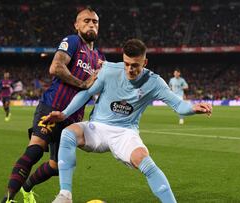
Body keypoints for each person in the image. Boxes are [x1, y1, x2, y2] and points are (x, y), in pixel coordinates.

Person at [47, 39, 212, 203]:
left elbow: (178, 104)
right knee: (68, 133)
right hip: (98, 127)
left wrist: (193, 109)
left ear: (144, 62)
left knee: (145, 161)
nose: (129, 69)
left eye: (135, 65)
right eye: (126, 64)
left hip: (125, 132)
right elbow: (86, 93)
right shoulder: (109, 70)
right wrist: (64, 114)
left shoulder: (154, 82)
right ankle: (65, 196)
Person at [1, 7, 105, 203]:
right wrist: (83, 84)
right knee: (35, 149)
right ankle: (7, 200)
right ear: (77, 25)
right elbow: (55, 67)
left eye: (95, 21)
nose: (91, 24)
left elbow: (99, 89)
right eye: (86, 21)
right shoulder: (73, 42)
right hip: (52, 107)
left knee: (56, 167)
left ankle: (26, 188)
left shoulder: (100, 58)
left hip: (72, 119)